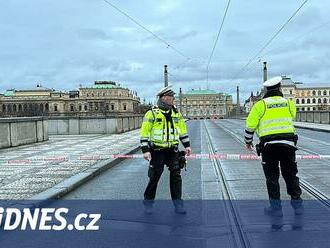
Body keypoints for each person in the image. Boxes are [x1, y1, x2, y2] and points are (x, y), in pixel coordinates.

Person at [244, 76, 303, 216]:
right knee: (291, 175)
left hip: (269, 146)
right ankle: (297, 206)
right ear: (280, 88)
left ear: (266, 90)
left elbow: (250, 126)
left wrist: (248, 141)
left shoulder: (260, 105)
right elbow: (292, 116)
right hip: (288, 144)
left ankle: (276, 209)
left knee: (272, 178)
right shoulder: (288, 103)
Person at [140, 85, 192, 214]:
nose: (173, 99)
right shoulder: (151, 113)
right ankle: (148, 203)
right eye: (171, 97)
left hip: (172, 150)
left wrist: (187, 146)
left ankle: (178, 205)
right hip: (157, 150)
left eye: (173, 97)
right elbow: (144, 133)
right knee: (155, 176)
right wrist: (145, 150)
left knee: (176, 176)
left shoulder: (176, 113)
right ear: (163, 98)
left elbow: (182, 131)